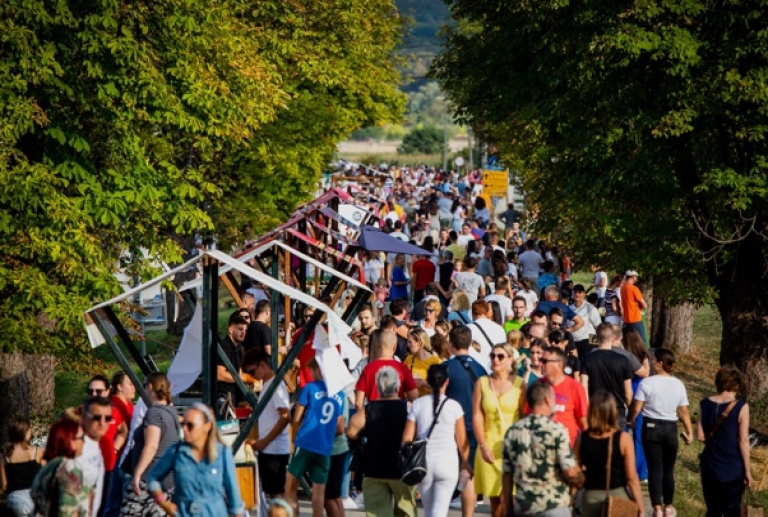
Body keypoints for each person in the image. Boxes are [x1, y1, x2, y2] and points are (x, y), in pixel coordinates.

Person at [502, 381, 584, 517]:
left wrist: (508, 508)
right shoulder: (556, 430)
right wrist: (583, 479)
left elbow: (506, 475)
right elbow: (570, 471)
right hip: (553, 505)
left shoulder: (513, 431)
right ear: (547, 400)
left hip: (524, 506)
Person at [628, 348, 694, 517]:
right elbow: (683, 411)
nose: (650, 362)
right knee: (668, 470)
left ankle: (657, 508)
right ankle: (669, 507)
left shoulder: (647, 383)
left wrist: (631, 419)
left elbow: (637, 406)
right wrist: (689, 431)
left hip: (651, 427)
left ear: (659, 363)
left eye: (653, 359)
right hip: (670, 428)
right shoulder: (678, 384)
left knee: (655, 469)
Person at [147, 403, 244, 517]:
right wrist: (163, 503)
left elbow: (234, 496)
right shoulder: (176, 452)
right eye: (182, 424)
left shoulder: (222, 453)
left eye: (190, 425)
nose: (184, 429)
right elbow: (153, 477)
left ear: (207, 427)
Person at [347, 367, 417, 517]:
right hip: (401, 469)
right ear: (397, 387)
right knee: (406, 512)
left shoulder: (368, 409)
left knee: (377, 514)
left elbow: (351, 431)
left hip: (374, 468)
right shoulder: (408, 408)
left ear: (378, 387)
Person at [402, 364, 470, 517]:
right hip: (448, 464)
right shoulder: (454, 406)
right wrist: (465, 463)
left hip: (423, 464)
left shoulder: (418, 404)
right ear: (447, 382)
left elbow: (406, 438)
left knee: (428, 511)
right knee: (439, 512)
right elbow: (462, 441)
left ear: (428, 381)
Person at [285, 357, 344, 517]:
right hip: (325, 446)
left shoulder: (310, 388)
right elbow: (340, 426)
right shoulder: (340, 393)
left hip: (306, 441)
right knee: (318, 494)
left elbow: (297, 417)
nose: (310, 374)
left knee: (290, 485)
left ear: (320, 370)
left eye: (312, 370)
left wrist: (293, 439)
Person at [472, 344, 524, 517]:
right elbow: (477, 416)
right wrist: (482, 445)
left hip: (512, 448)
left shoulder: (519, 384)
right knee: (495, 501)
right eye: (492, 355)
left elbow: (525, 417)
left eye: (500, 356)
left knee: (510, 500)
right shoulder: (482, 382)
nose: (495, 359)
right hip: (489, 446)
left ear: (510, 360)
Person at [574, 391, 644, 517]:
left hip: (591, 497)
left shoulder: (582, 439)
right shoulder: (623, 439)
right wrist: (640, 506)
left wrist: (571, 501)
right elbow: (631, 477)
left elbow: (575, 474)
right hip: (618, 496)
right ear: (613, 412)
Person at [120, 372, 179, 517]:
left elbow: (151, 446)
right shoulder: (172, 412)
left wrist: (138, 473)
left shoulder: (154, 413)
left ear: (150, 387)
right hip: (166, 479)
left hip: (148, 478)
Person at [444, 326, 487, 517]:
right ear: (470, 343)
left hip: (449, 428)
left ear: (451, 344)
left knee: (445, 477)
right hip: (474, 427)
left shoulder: (446, 368)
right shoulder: (481, 369)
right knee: (467, 473)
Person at [697, 367, 752, 517]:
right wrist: (747, 471)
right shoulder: (741, 407)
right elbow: (743, 440)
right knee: (732, 509)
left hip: (710, 464)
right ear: (737, 384)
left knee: (713, 509)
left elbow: (700, 436)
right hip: (732, 466)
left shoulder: (704, 404)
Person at [242, 349, 291, 499]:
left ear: (262, 365)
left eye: (252, 371)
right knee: (274, 494)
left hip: (274, 450)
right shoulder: (269, 384)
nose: (252, 377)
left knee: (278, 496)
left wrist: (265, 441)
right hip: (270, 448)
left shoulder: (275, 386)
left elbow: (285, 416)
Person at [581, 323, 634, 429]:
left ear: (597, 337)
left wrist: (586, 410)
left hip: (596, 409)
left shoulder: (587, 358)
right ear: (613, 338)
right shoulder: (623, 360)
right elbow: (628, 393)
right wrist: (631, 415)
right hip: (617, 410)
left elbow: (583, 386)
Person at [39, 417, 92, 515]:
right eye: (82, 438)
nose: (84, 442)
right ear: (71, 441)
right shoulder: (70, 469)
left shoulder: (49, 466)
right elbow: (67, 509)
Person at [100, 372, 136, 517]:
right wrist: (114, 449)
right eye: (130, 384)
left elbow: (125, 432)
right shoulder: (114, 406)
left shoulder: (129, 406)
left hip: (125, 461)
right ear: (119, 387)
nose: (134, 387)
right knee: (111, 503)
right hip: (114, 462)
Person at [355, 330, 418, 409]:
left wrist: (365, 417)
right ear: (394, 347)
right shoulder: (403, 368)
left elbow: (358, 402)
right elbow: (414, 398)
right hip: (398, 416)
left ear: (378, 345)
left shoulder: (368, 368)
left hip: (374, 416)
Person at [541, 346, 588, 447]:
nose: (541, 364)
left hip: (568, 449)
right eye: (541, 360)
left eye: (545, 361)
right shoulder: (537, 386)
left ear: (559, 364)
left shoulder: (575, 388)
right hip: (541, 449)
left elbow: (583, 422)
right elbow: (526, 415)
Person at [1, 418, 44, 517]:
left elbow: (4, 486)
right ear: (24, 432)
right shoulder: (37, 452)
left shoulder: (4, 456)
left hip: (17, 501)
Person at [79, 393, 110, 517]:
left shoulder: (95, 446)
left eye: (107, 418)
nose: (102, 423)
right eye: (96, 418)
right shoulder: (76, 449)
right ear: (83, 417)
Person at [217, 312, 249, 418]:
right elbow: (220, 374)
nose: (243, 333)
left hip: (234, 398)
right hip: (224, 399)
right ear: (231, 330)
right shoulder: (224, 347)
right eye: (240, 329)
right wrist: (242, 378)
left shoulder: (238, 348)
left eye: (245, 330)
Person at [405, 328, 441, 396]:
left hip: (428, 402)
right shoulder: (409, 359)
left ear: (419, 343)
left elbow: (440, 387)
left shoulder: (435, 361)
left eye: (410, 342)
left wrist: (425, 383)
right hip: (412, 402)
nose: (408, 345)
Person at [620, 270, 648, 344]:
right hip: (635, 318)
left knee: (630, 341)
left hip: (626, 318)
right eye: (636, 277)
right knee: (642, 340)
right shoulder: (634, 288)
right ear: (633, 277)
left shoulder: (622, 288)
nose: (636, 279)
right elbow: (644, 305)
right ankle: (645, 355)